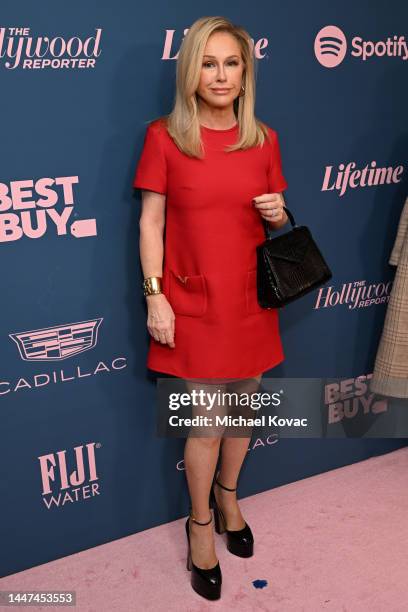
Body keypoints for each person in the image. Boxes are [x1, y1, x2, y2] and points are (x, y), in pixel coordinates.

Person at [132, 16, 289, 601]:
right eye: (208, 62)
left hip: (251, 297)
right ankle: (200, 523)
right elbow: (150, 221)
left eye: (231, 63)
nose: (220, 75)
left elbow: (272, 217)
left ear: (246, 72)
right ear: (190, 71)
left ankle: (229, 496)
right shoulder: (165, 137)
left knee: (244, 408)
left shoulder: (265, 139)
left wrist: (277, 214)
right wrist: (156, 296)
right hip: (193, 298)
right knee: (204, 424)